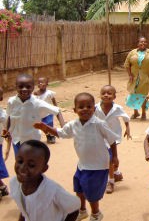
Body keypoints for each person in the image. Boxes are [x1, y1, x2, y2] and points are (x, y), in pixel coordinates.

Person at [34, 92, 119, 221]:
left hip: (98, 166)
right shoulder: (73, 125)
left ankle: (96, 213)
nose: (85, 109)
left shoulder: (99, 124)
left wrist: (115, 157)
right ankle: (82, 210)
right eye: (81, 107)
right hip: (82, 164)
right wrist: (46, 128)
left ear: (94, 109)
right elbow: (61, 133)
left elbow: (112, 140)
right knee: (79, 188)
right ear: (75, 110)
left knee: (92, 193)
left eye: (89, 106)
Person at [10, 140, 80, 221]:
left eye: (31, 165)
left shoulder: (53, 191)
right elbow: (24, 210)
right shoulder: (14, 184)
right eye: (20, 161)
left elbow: (74, 209)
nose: (22, 168)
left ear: (44, 168)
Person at [6, 74, 62, 156]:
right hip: (17, 140)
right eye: (20, 86)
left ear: (33, 87)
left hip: (32, 141)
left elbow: (57, 111)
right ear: (16, 87)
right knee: (19, 163)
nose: (24, 89)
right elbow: (9, 117)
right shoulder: (11, 101)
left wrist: (63, 126)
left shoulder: (37, 103)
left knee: (32, 163)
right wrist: (7, 131)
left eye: (28, 87)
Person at [94, 85, 131, 194]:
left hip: (113, 135)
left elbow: (125, 118)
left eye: (109, 93)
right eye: (103, 93)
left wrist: (127, 128)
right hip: (100, 136)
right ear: (100, 95)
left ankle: (111, 181)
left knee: (110, 158)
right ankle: (115, 171)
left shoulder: (117, 108)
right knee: (110, 157)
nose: (106, 95)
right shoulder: (95, 107)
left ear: (114, 96)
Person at [125, 36, 149, 120]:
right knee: (133, 95)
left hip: (145, 78)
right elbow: (127, 64)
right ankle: (135, 112)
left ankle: (144, 113)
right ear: (138, 43)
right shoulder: (132, 52)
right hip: (134, 78)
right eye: (141, 42)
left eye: (145, 42)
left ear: (147, 43)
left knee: (143, 96)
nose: (143, 43)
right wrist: (130, 75)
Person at [34, 76, 65, 144]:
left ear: (47, 84)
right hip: (40, 113)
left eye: (42, 82)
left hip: (48, 112)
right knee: (43, 126)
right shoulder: (35, 94)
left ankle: (52, 135)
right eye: (39, 82)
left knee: (49, 124)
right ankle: (48, 135)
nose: (41, 84)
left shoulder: (49, 93)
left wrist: (56, 108)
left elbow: (54, 101)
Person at [0, 87, 10, 200]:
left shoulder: (2, 115)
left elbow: (8, 130)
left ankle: (2, 187)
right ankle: (2, 186)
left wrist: (7, 148)